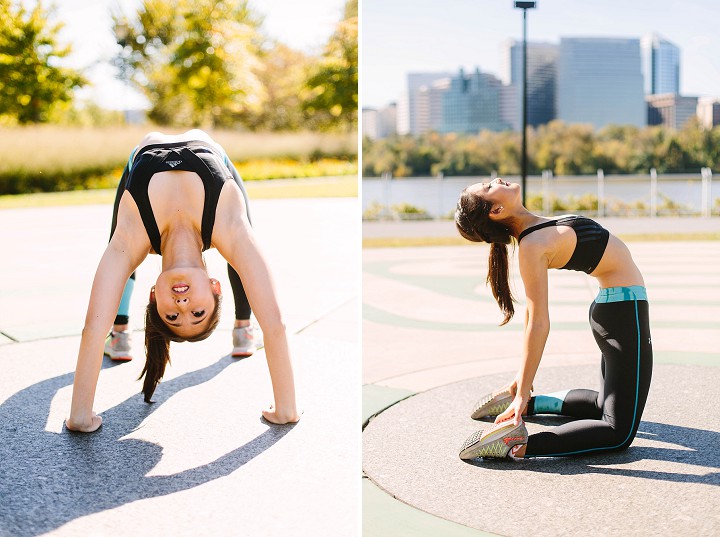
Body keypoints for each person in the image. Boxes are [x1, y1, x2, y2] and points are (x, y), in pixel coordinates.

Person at [66, 130, 300, 433]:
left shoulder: (132, 238)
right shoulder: (228, 227)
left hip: (140, 158)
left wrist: (80, 416)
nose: (183, 305)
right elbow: (276, 324)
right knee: (243, 259)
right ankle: (243, 327)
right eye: (198, 313)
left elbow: (93, 328)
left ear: (154, 296)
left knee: (117, 257)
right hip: (216, 154)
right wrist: (286, 410)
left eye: (172, 316)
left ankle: (120, 331)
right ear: (215, 288)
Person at [455, 178, 652, 459]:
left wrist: (520, 386)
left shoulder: (535, 227)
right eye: (488, 187)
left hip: (614, 310)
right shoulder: (532, 245)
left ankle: (529, 405)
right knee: (617, 433)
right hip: (624, 313)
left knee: (601, 404)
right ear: (496, 210)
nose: (495, 180)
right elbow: (537, 320)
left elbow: (529, 316)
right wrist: (522, 390)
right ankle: (518, 445)